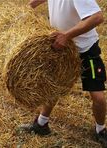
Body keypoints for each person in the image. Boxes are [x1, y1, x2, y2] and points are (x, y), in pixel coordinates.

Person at [21, 0, 107, 146]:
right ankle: (41, 124)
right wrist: (30, 6)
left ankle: (100, 130)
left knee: (98, 97)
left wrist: (66, 35)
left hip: (85, 50)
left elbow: (97, 17)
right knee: (53, 86)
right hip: (63, 49)